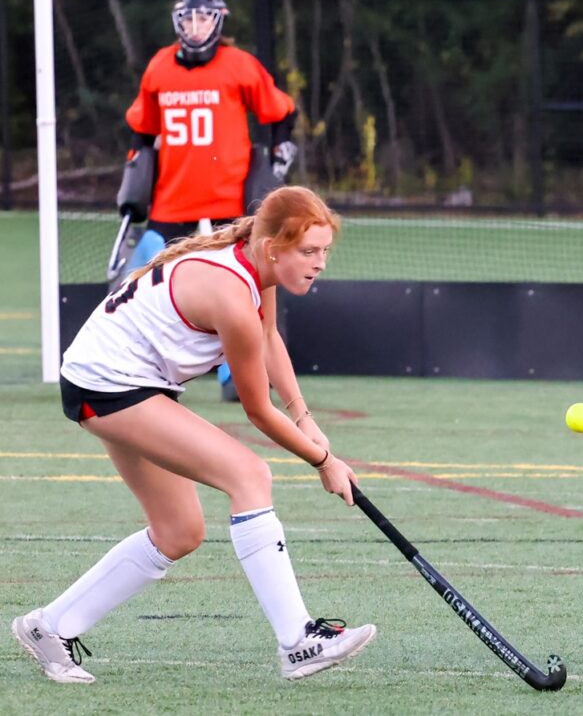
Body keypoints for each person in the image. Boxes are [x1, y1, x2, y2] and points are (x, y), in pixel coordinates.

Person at [11, 187, 375, 684]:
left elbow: (270, 339)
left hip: (125, 380)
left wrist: (306, 416)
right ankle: (298, 642)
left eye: (324, 251)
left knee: (179, 532)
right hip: (110, 385)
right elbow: (257, 412)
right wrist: (324, 461)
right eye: (309, 251)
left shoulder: (255, 265)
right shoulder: (230, 296)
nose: (320, 263)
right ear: (274, 247)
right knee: (250, 475)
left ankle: (48, 626)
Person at [121, 0, 298, 401]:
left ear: (218, 21)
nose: (196, 26)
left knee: (244, 284)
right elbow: (141, 132)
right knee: (142, 278)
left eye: (203, 18)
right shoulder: (159, 67)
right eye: (188, 18)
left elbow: (280, 111)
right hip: (172, 197)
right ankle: (140, 368)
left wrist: (278, 153)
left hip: (231, 198)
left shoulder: (240, 65)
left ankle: (239, 375)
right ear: (177, 22)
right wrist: (134, 187)